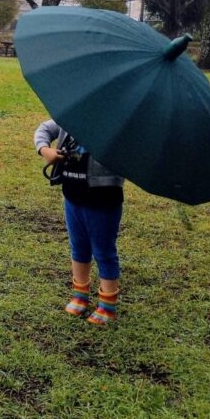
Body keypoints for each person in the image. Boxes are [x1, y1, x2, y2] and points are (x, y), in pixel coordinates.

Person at [35, 119, 123, 325]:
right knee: (79, 246)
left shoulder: (118, 123)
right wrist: (44, 149)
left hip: (104, 199)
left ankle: (108, 303)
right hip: (72, 195)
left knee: (104, 251)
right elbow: (45, 128)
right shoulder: (73, 115)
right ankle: (80, 294)